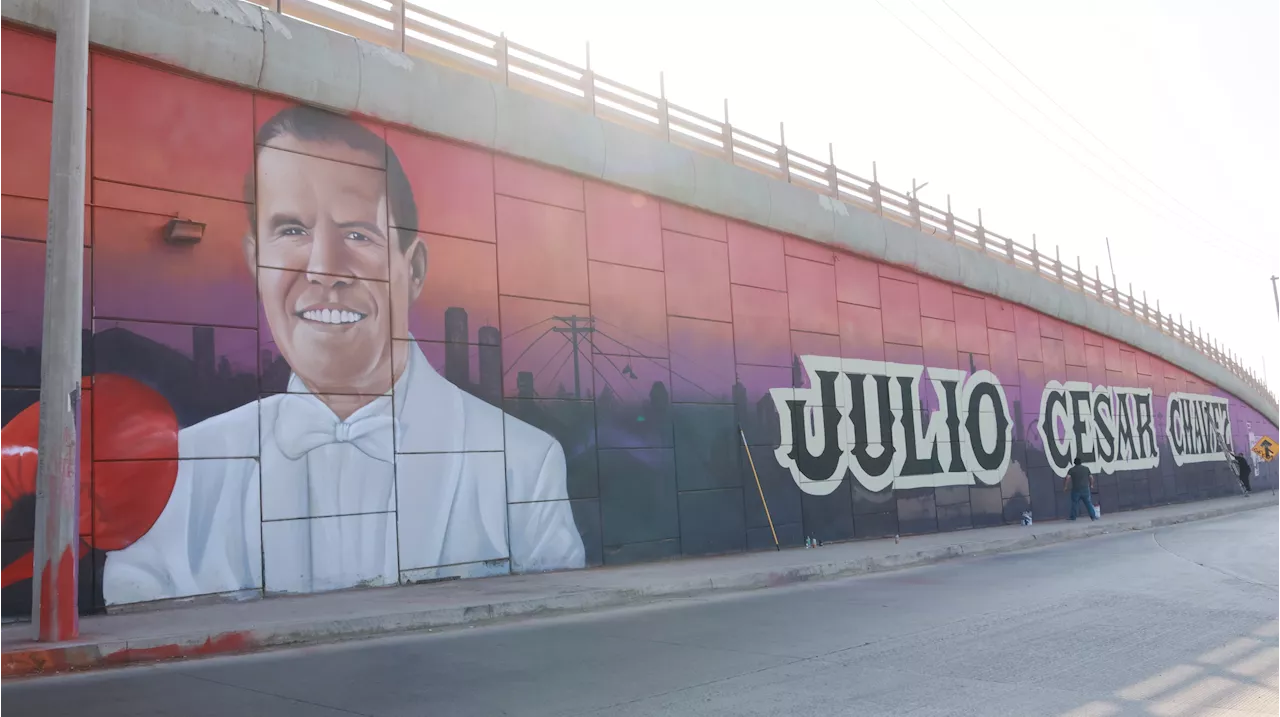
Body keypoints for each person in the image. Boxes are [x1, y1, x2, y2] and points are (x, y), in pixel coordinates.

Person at [103, 106, 585, 604]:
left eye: (359, 234)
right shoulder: (179, 472)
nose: (324, 268)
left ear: (413, 269)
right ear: (256, 264)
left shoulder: (525, 465)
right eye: (291, 230)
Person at [1064, 457, 1097, 521]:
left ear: (1074, 463)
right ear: (1081, 462)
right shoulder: (1086, 469)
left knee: (1075, 503)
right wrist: (1091, 485)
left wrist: (1065, 486)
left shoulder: (1072, 470)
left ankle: (1073, 517)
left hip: (1076, 489)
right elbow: (1091, 477)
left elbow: (1067, 478)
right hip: (1085, 489)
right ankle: (1093, 516)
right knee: (1088, 503)